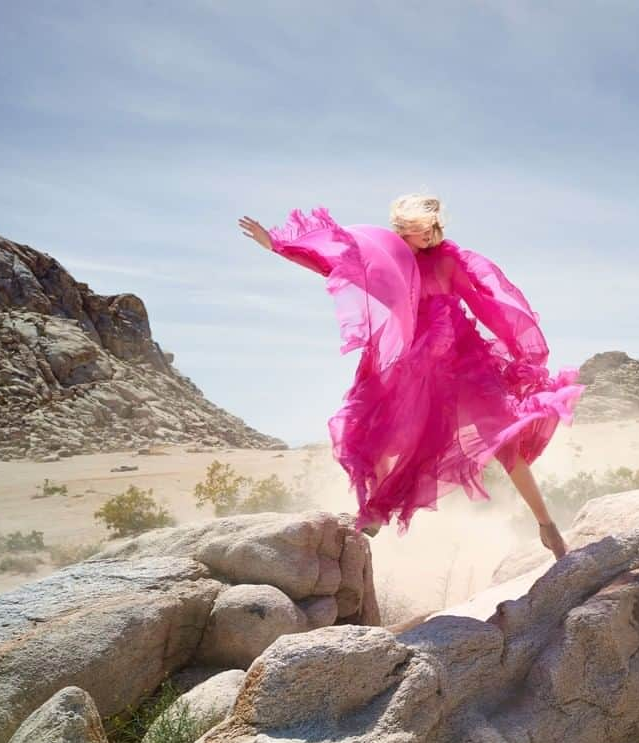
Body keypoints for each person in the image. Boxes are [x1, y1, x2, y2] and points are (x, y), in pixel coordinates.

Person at [238, 194, 583, 559]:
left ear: (432, 231)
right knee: (383, 434)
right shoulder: (391, 262)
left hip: (464, 366)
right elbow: (338, 266)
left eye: (414, 231)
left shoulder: (448, 261)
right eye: (401, 230)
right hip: (413, 368)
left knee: (505, 443)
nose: (405, 237)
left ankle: (546, 525)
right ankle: (376, 509)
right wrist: (276, 245)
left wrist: (521, 348)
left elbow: (484, 304)